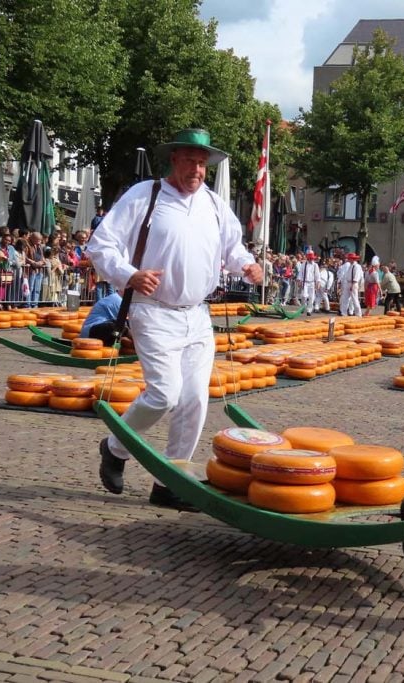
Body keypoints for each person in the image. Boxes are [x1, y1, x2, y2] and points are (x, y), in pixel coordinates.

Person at [87, 128, 262, 510]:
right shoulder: (145, 195)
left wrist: (248, 266)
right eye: (190, 161)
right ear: (174, 160)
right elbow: (101, 244)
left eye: (203, 163)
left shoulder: (215, 205)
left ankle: (170, 482)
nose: (197, 169)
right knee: (164, 393)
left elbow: (233, 247)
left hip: (198, 314)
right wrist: (128, 273)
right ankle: (115, 449)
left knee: (195, 399)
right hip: (153, 310)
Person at [295, 251, 320, 316]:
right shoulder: (304, 264)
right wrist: (299, 280)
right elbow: (301, 273)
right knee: (304, 296)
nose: (311, 259)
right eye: (310, 258)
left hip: (312, 283)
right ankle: (303, 307)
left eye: (312, 258)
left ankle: (309, 310)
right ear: (308, 258)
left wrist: (318, 282)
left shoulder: (315, 265)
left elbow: (317, 275)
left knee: (312, 297)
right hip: (305, 282)